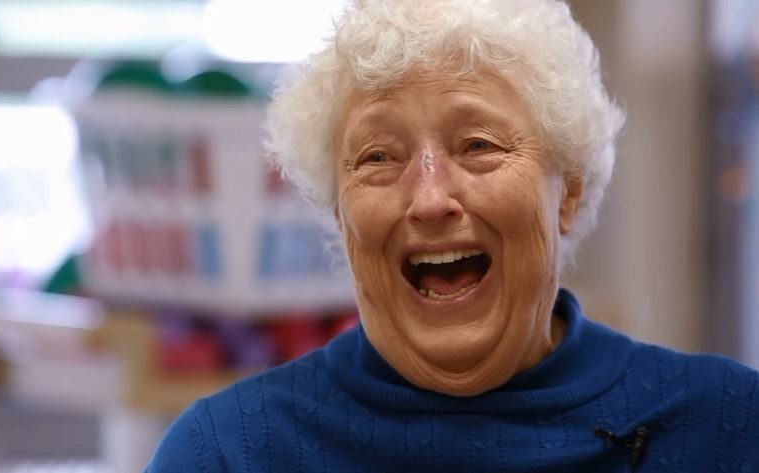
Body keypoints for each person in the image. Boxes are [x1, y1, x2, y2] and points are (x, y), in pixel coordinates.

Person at [146, 0, 759, 471]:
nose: (431, 198)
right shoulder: (231, 453)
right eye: (379, 157)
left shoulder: (726, 429)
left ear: (566, 192)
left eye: (479, 145)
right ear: (340, 213)